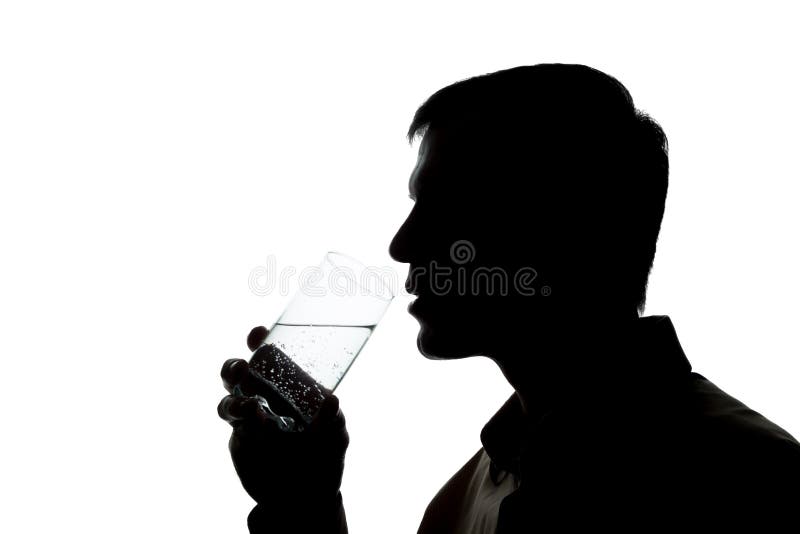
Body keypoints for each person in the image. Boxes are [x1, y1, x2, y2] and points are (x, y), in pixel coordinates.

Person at [217, 64, 800, 532]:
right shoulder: (461, 500)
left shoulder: (751, 480)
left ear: (563, 221)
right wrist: (302, 501)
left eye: (447, 206)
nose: (402, 244)